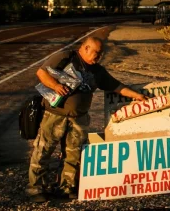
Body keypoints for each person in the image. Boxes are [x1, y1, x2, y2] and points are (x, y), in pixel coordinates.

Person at [26, 36, 147, 202]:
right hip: (55, 114)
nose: (98, 57)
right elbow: (41, 72)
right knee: (43, 151)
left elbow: (116, 86)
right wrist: (55, 85)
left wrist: (137, 95)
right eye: (95, 53)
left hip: (79, 118)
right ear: (85, 48)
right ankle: (36, 188)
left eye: (100, 54)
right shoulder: (66, 57)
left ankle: (66, 188)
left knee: (73, 155)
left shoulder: (97, 71)